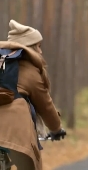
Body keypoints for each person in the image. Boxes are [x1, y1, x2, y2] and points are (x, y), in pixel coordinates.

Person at [0, 20, 66, 170]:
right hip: (14, 132)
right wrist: (56, 129)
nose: (40, 51)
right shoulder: (29, 70)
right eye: (38, 46)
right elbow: (46, 106)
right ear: (29, 46)